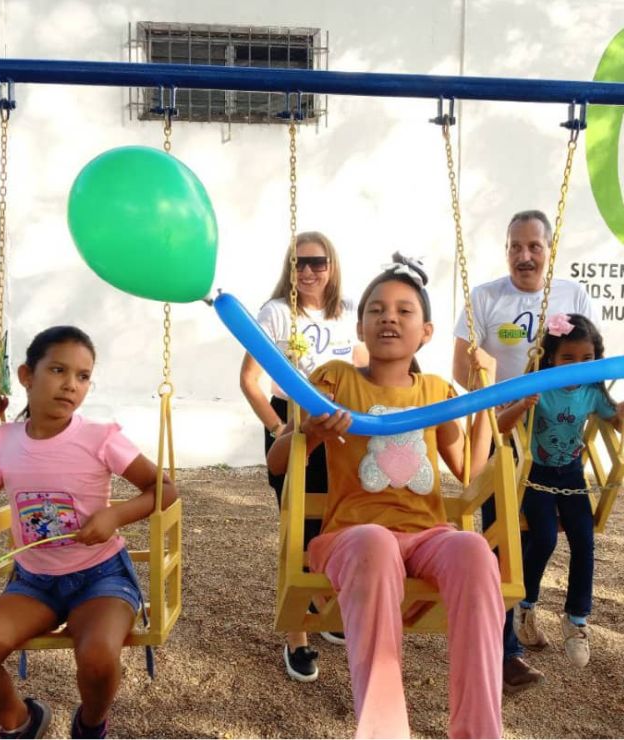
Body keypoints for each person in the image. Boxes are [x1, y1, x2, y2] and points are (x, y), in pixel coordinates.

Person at [268, 254, 499, 738]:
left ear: (426, 332)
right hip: (353, 536)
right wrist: (310, 433)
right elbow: (277, 462)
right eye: (376, 309)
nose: (388, 317)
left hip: (426, 537)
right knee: (374, 541)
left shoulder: (436, 391)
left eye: (403, 310)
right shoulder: (335, 379)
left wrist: (487, 396)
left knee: (474, 549)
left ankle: (479, 731)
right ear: (360, 327)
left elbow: (470, 470)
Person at [0, 326, 178, 740]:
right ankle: (22, 722)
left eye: (83, 376)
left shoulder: (100, 437)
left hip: (101, 577)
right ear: (26, 375)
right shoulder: (6, 439)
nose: (71, 385)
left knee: (97, 656)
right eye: (58, 370)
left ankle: (90, 725)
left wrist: (115, 515)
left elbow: (164, 489)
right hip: (34, 583)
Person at [451, 209, 595, 694]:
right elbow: (460, 368)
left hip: (553, 439)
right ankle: (504, 650)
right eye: (516, 246)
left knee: (547, 535)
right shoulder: (486, 297)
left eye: (534, 246)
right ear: (507, 249)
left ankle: (525, 611)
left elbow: (588, 360)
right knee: (500, 537)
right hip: (504, 435)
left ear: (549, 250)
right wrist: (496, 394)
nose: (525, 255)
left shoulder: (573, 295)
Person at [238, 231, 364, 681]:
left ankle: (321, 603)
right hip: (293, 424)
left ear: (332, 265)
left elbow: (363, 370)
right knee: (299, 529)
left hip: (341, 429)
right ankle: (297, 634)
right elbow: (250, 380)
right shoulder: (276, 313)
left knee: (335, 523)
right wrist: (278, 430)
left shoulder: (349, 311)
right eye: (299, 263)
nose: (308, 271)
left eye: (318, 262)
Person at [495, 313, 623, 669]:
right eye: (568, 358)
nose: (577, 367)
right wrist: (522, 405)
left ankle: (576, 619)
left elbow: (616, 420)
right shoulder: (538, 388)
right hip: (536, 474)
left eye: (587, 359)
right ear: (550, 357)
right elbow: (501, 427)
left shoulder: (592, 392)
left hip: (571, 476)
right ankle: (525, 605)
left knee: (584, 539)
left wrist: (620, 412)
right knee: (545, 538)